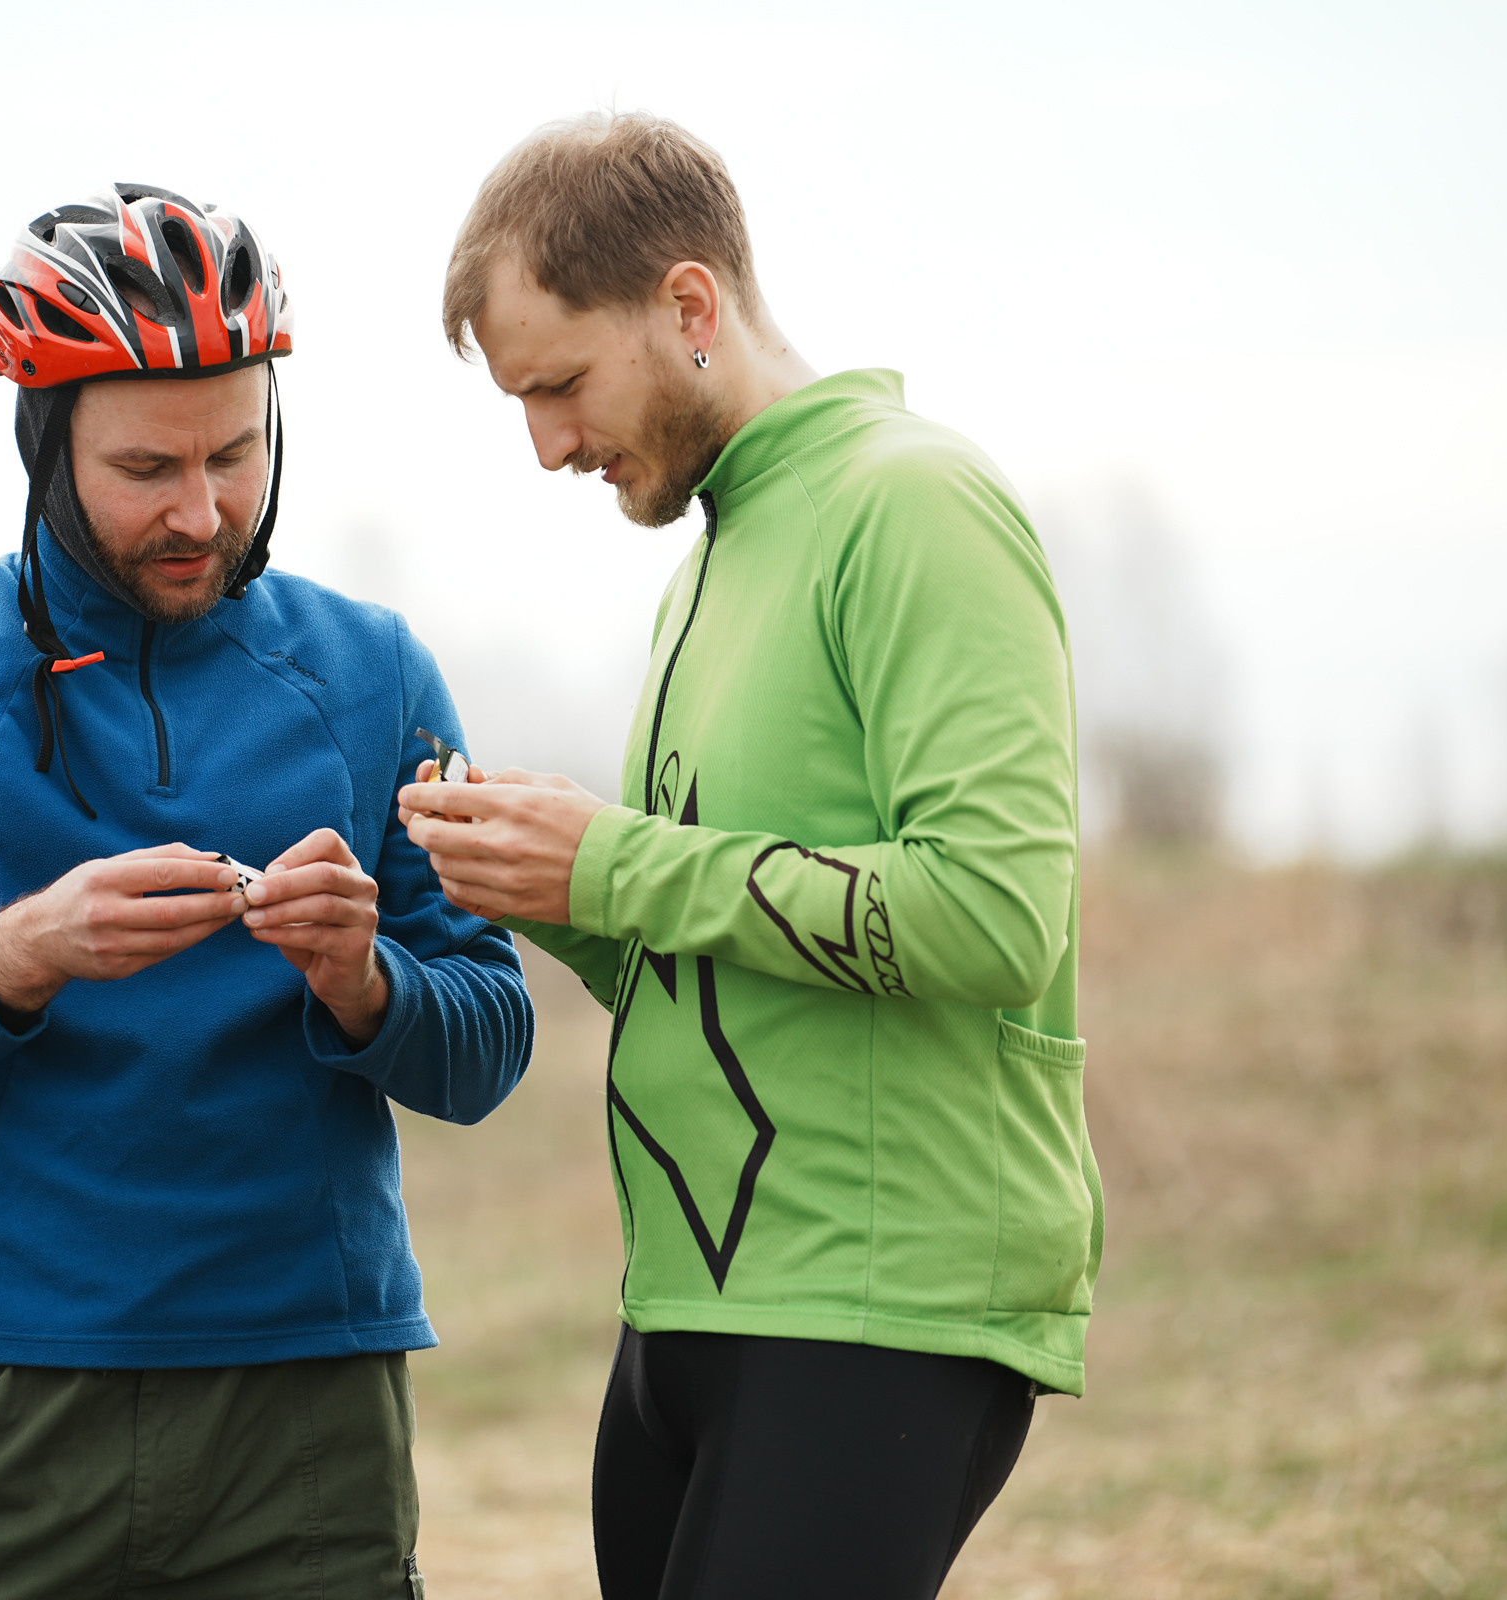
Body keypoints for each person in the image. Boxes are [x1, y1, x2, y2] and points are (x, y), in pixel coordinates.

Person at [0, 182, 532, 1600]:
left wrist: (365, 985)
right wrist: (18, 952)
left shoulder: (375, 674)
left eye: (235, 455)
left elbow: (488, 1045)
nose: (202, 512)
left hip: (302, 1416)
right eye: (144, 471)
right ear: (45, 444)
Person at [402, 114, 1100, 1600]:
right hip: (692, 1309)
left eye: (562, 385)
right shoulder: (709, 562)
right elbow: (713, 949)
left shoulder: (912, 506)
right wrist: (545, 876)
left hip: (877, 1307)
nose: (547, 447)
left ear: (691, 308)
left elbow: (992, 916)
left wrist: (616, 864)